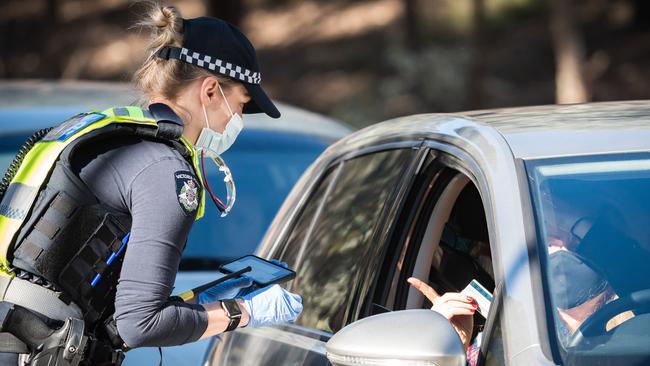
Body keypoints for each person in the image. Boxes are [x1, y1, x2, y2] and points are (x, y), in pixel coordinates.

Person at [0, 3, 302, 365]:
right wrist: (244, 312)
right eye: (240, 105)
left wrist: (208, 300)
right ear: (209, 90)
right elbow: (140, 324)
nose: (237, 120)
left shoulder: (107, 134)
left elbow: (107, 307)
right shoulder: (166, 171)